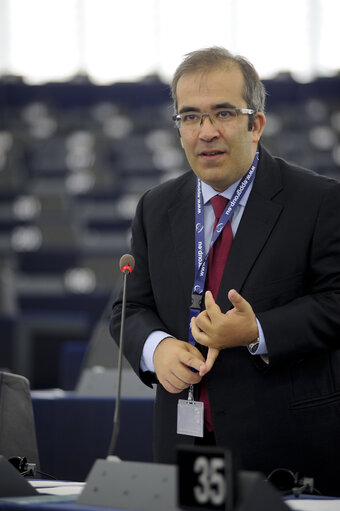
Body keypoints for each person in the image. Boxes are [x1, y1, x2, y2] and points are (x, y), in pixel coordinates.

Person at [110, 47, 340, 496]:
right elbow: (128, 305)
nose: (207, 132)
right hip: (185, 447)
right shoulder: (156, 207)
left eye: (223, 114)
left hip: (286, 454)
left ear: (256, 124)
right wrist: (157, 349)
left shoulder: (318, 201)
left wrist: (258, 330)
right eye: (190, 117)